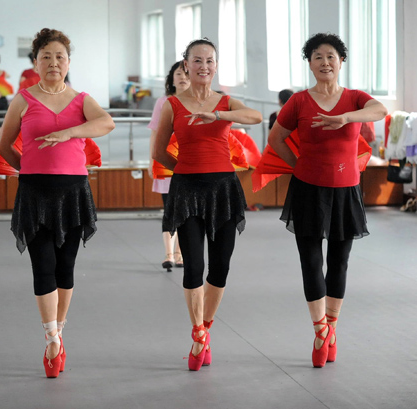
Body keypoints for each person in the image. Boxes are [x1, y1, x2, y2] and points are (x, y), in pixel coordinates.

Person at [0, 28, 115, 378]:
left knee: (66, 268)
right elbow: (5, 145)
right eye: (46, 56)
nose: (53, 62)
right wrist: (29, 170)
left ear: (68, 62)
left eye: (59, 56)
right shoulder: (23, 99)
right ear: (35, 62)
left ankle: (60, 329)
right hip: (35, 193)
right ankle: (51, 339)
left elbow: (105, 122)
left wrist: (70, 132)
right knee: (43, 266)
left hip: (73, 193)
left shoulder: (81, 100)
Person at [268, 33, 387, 368]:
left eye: (331, 56)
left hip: (346, 189)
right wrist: (297, 165)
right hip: (308, 188)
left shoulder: (354, 98)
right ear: (310, 63)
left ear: (341, 61)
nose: (325, 62)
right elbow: (276, 137)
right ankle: (320, 329)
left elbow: (380, 110)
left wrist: (346, 118)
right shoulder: (299, 102)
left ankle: (331, 327)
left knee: (339, 261)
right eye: (318, 57)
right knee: (310, 262)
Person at [153, 38, 262, 371]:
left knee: (221, 267)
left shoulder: (226, 101)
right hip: (187, 190)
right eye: (196, 61)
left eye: (209, 61)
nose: (203, 66)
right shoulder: (172, 104)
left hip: (223, 190)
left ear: (216, 65)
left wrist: (216, 114)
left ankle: (207, 327)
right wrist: (186, 171)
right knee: (194, 267)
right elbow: (158, 153)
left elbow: (255, 116)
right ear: (185, 65)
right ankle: (197, 332)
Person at [148, 61, 190, 271]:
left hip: (189, 161)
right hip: (165, 161)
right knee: (169, 209)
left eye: (186, 73)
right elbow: (155, 133)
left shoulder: (197, 101)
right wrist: (151, 160)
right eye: (178, 74)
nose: (182, 77)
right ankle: (169, 254)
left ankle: (181, 254)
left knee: (186, 210)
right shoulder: (163, 102)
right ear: (171, 79)